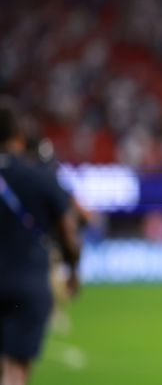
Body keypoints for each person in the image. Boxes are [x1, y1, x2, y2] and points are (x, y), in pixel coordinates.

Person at [0, 97, 80, 385]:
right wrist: (73, 271)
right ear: (19, 134)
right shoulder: (39, 176)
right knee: (15, 371)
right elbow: (68, 231)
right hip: (25, 288)